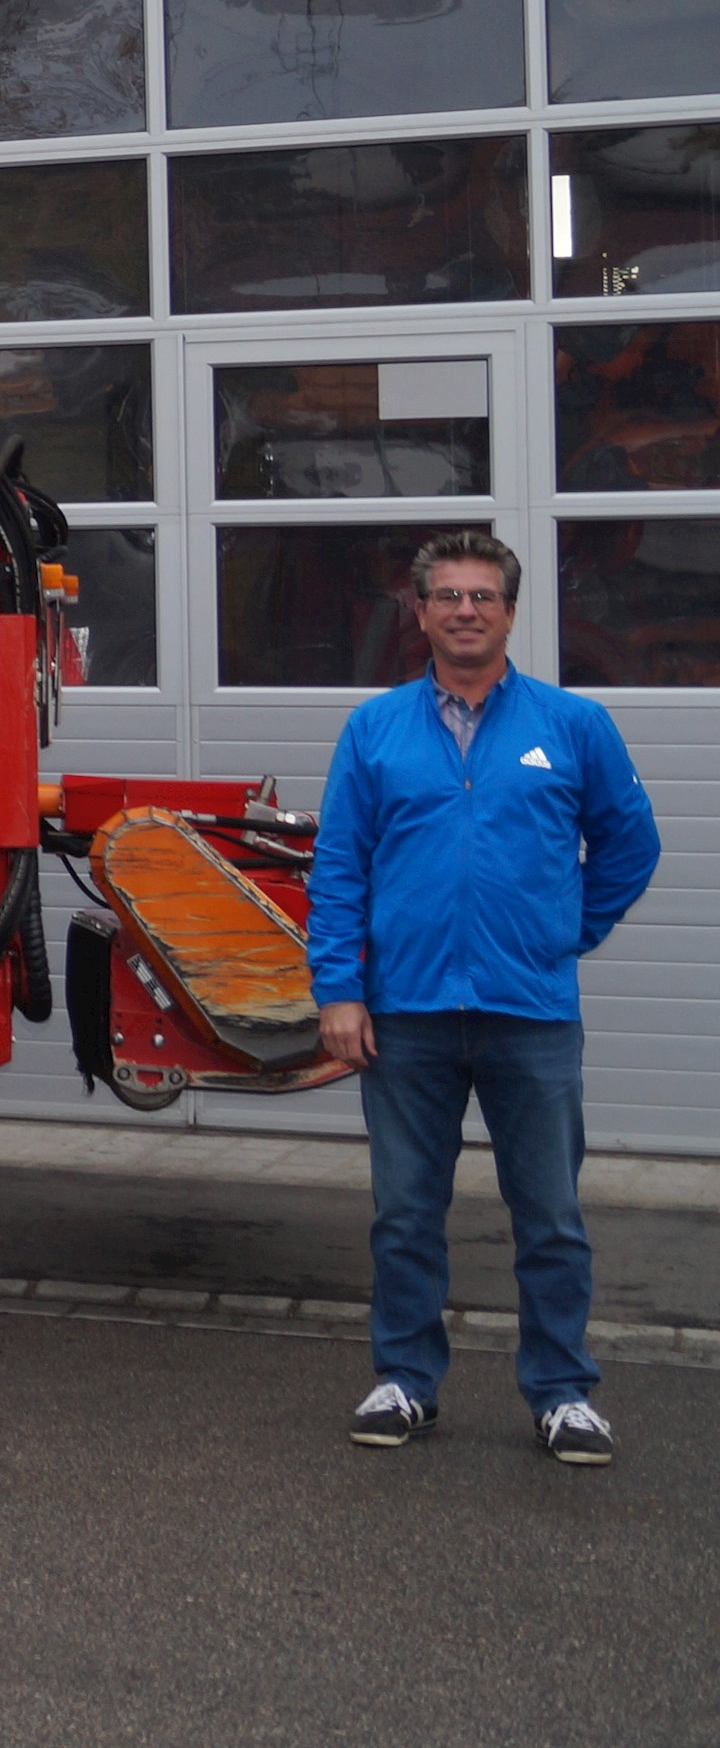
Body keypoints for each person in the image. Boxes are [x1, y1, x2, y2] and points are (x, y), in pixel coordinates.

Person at [307, 530, 657, 1467]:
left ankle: (562, 1392)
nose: (466, 610)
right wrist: (338, 987)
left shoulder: (572, 725)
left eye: (484, 596)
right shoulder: (375, 730)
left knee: (548, 1213)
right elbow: (338, 867)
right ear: (419, 612)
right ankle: (405, 1381)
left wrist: (565, 928)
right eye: (448, 595)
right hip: (406, 1013)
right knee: (405, 1211)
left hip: (530, 1012)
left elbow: (631, 845)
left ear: (509, 610)